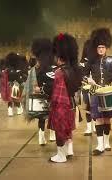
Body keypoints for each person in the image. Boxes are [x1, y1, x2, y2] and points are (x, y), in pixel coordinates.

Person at [84, 28, 112, 155]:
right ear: (96, 48)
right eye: (99, 47)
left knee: (107, 119)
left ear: (106, 47)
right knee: (97, 118)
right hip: (96, 91)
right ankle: (99, 145)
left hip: (109, 92)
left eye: (103, 47)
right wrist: (88, 79)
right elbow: (84, 75)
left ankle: (107, 142)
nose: (101, 49)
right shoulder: (91, 61)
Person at [48, 33, 82, 163]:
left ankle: (60, 155)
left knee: (60, 129)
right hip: (72, 105)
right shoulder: (74, 70)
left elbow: (57, 95)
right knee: (68, 128)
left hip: (62, 105)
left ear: (58, 55)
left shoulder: (59, 72)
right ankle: (68, 151)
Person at [23, 38, 56, 146]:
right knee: (41, 117)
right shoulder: (34, 69)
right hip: (39, 96)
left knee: (52, 116)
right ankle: (41, 137)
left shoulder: (53, 67)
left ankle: (52, 134)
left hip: (50, 95)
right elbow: (30, 83)